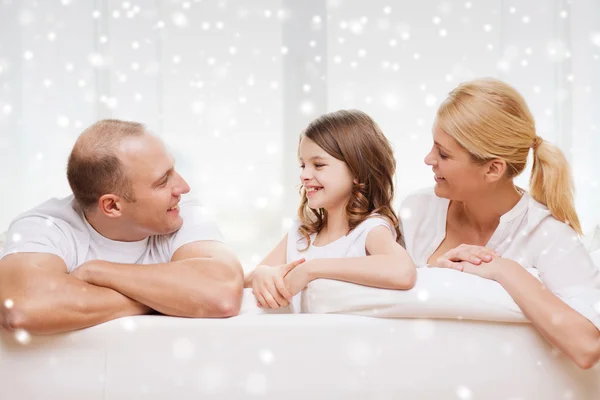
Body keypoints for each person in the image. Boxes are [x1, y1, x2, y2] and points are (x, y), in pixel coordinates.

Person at [400, 78, 600, 369]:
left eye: (443, 154)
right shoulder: (417, 210)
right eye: (434, 146)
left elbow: (587, 347)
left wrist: (503, 270)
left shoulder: (548, 234)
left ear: (493, 168)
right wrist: (438, 276)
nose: (429, 159)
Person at [0, 119, 243, 334]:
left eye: (174, 169)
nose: (183, 187)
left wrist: (98, 271)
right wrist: (168, 299)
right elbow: (22, 308)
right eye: (162, 181)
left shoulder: (182, 213)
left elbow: (222, 294)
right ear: (112, 206)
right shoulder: (45, 227)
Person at [245, 110, 416, 310]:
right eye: (303, 165)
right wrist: (261, 273)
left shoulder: (369, 230)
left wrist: (312, 269)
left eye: (318, 165)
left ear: (357, 172)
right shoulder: (300, 236)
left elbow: (403, 271)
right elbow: (243, 285)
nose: (304, 175)